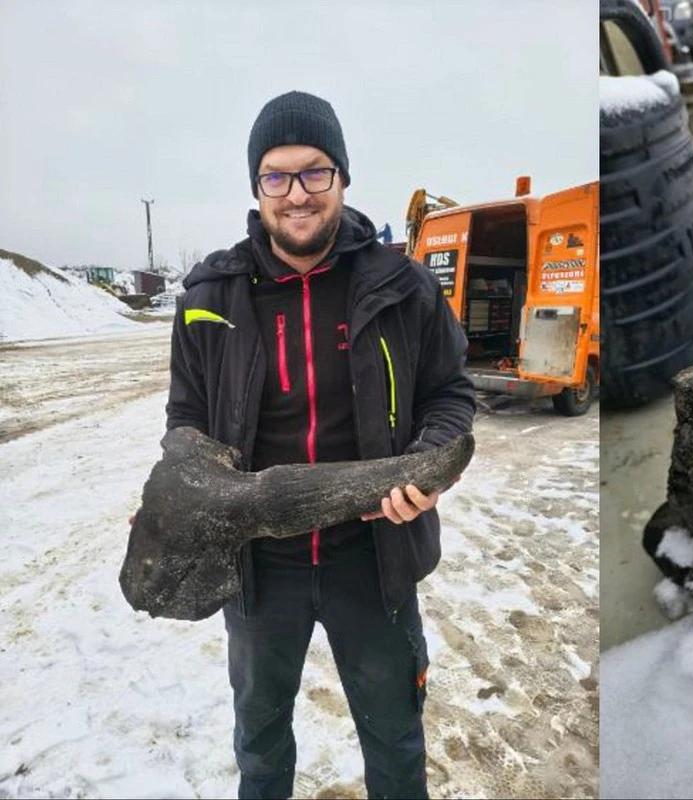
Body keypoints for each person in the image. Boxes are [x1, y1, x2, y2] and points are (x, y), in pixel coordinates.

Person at [165, 89, 476, 799]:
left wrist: (429, 467)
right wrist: (184, 495)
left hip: (373, 558)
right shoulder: (208, 295)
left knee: (396, 741)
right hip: (255, 569)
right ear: (256, 186)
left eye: (314, 172)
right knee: (261, 743)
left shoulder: (406, 287)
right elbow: (185, 418)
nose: (296, 194)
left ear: (341, 177)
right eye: (277, 175)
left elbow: (451, 395)